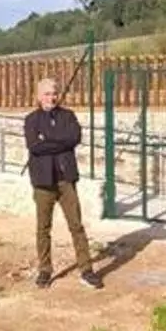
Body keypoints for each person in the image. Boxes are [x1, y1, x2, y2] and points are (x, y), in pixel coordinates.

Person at [24, 78, 103, 290]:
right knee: (43, 228)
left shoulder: (68, 116)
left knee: (76, 225)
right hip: (43, 181)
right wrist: (60, 141)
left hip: (66, 179)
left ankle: (86, 270)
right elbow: (34, 146)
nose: (51, 98)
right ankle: (45, 269)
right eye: (47, 94)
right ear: (39, 96)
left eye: (54, 94)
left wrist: (48, 139)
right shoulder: (31, 120)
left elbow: (74, 138)